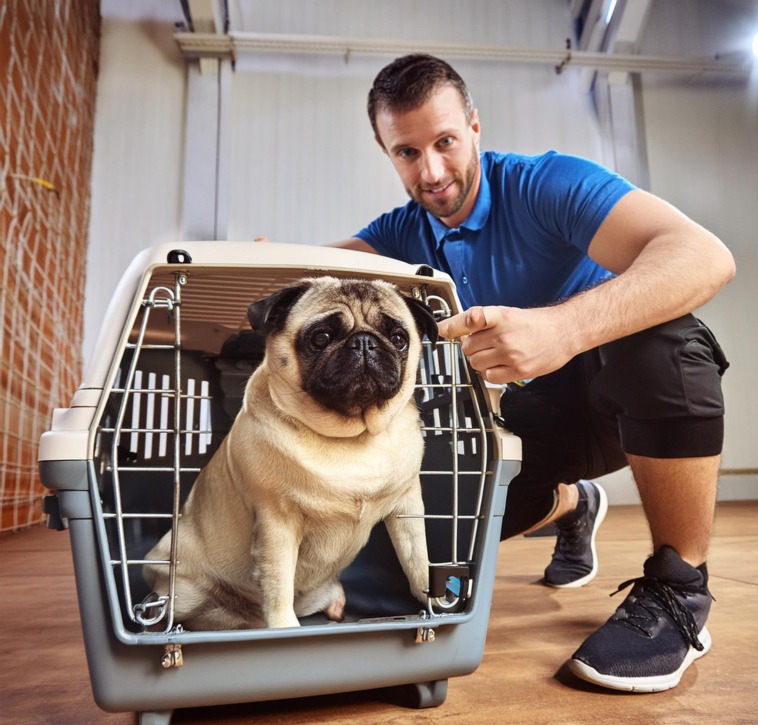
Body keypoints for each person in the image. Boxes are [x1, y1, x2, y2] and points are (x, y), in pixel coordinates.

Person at [333, 54, 735, 692]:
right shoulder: (397, 235)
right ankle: (572, 506)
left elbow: (704, 256)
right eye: (407, 153)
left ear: (474, 126)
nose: (432, 172)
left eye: (445, 142)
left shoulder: (546, 184)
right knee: (436, 522)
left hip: (621, 397)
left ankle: (681, 589)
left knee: (663, 334)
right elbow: (311, 280)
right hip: (520, 422)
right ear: (387, 153)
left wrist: (564, 329)